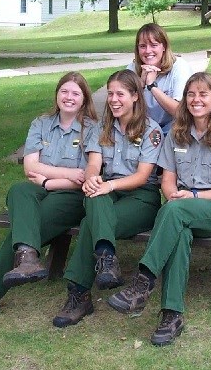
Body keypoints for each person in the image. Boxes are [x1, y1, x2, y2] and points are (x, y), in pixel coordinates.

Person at [107, 72, 211, 346]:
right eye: (191, 94)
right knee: (179, 231)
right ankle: (171, 315)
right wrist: (175, 195)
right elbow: (167, 182)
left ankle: (143, 281)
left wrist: (193, 195)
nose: (196, 100)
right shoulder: (176, 135)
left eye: (203, 94)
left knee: (173, 212)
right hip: (181, 211)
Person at [0, 71, 98, 324]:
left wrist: (49, 180)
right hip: (40, 188)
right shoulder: (41, 123)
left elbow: (84, 178)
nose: (69, 97)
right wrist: (67, 173)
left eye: (75, 93)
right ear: (57, 94)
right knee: (18, 189)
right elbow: (29, 168)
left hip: (71, 197)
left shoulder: (92, 128)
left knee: (25, 229)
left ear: (84, 99)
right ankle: (27, 257)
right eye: (64, 91)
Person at [52, 69, 164, 328]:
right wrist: (92, 178)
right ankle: (106, 259)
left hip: (141, 199)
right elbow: (94, 164)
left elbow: (142, 176)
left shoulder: (151, 130)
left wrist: (108, 184)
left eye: (120, 94)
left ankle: (79, 294)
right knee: (93, 193)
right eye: (110, 93)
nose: (113, 99)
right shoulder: (103, 128)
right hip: (109, 196)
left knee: (92, 222)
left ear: (135, 96)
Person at [127, 23, 192, 134]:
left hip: (174, 130)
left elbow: (180, 111)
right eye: (143, 46)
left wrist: (152, 86)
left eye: (154, 45)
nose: (148, 51)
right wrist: (140, 85)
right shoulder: (132, 69)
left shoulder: (179, 67)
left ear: (164, 47)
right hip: (144, 130)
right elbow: (123, 109)